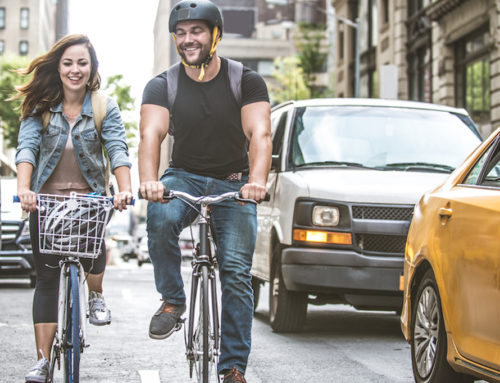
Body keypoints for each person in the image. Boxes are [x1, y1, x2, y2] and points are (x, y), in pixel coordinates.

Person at [138, 0, 272, 381]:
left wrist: (257, 181)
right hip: (184, 176)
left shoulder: (245, 80)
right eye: (180, 33)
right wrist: (150, 179)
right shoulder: (163, 84)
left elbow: (259, 133)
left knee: (235, 272)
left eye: (196, 31)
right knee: (161, 216)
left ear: (215, 35)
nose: (187, 39)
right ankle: (173, 301)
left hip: (234, 182)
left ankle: (232, 367)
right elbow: (151, 134)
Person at [15, 34, 133, 383]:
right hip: (46, 204)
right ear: (59, 66)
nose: (75, 69)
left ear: (92, 67)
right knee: (47, 278)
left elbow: (117, 148)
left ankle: (95, 294)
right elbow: (27, 148)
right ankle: (42, 360)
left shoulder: (102, 106)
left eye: (82, 63)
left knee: (95, 252)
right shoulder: (40, 106)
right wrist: (24, 189)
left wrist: (124, 190)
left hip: (90, 200)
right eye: (68, 63)